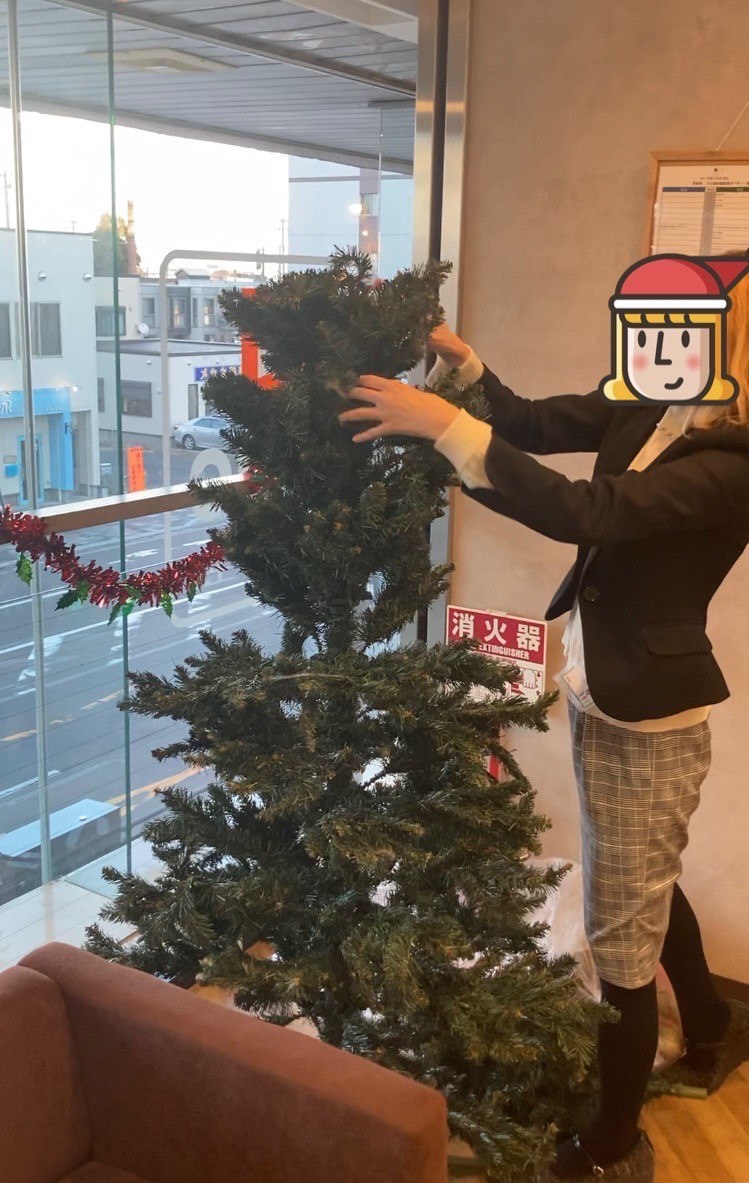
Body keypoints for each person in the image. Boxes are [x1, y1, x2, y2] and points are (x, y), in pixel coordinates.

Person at [338, 266, 749, 1183]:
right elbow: (528, 422)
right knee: (636, 876)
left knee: (619, 936)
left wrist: (444, 426)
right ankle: (717, 1025)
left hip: (651, 718)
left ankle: (610, 1144)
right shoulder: (647, 403)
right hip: (603, 686)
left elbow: (585, 511)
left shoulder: (734, 465)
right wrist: (465, 371)